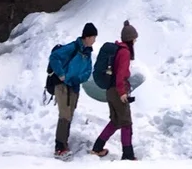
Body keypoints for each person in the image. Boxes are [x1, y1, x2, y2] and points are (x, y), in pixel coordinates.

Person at [92, 21, 138, 160]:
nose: (135, 41)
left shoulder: (119, 49)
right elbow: (121, 74)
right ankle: (128, 155)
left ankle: (97, 148)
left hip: (110, 91)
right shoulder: (124, 52)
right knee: (126, 123)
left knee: (115, 121)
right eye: (135, 38)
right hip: (118, 91)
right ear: (131, 39)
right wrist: (122, 92)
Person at [49, 22, 97, 157]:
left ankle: (64, 143)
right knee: (64, 115)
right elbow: (54, 57)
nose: (94, 40)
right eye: (93, 37)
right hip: (62, 85)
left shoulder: (87, 53)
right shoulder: (73, 47)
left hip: (74, 87)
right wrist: (62, 75)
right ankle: (59, 147)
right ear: (87, 37)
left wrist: (79, 79)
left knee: (69, 115)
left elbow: (88, 71)